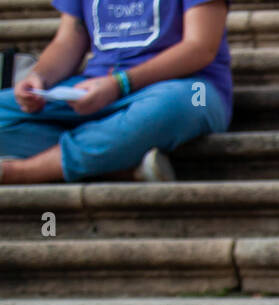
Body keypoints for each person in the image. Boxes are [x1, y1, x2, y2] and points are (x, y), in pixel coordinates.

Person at [0, 0, 231, 184]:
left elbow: (200, 48)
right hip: (95, 86)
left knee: (178, 105)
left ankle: (22, 172)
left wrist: (119, 84)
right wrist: (38, 78)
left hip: (189, 87)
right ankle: (118, 163)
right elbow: (68, 38)